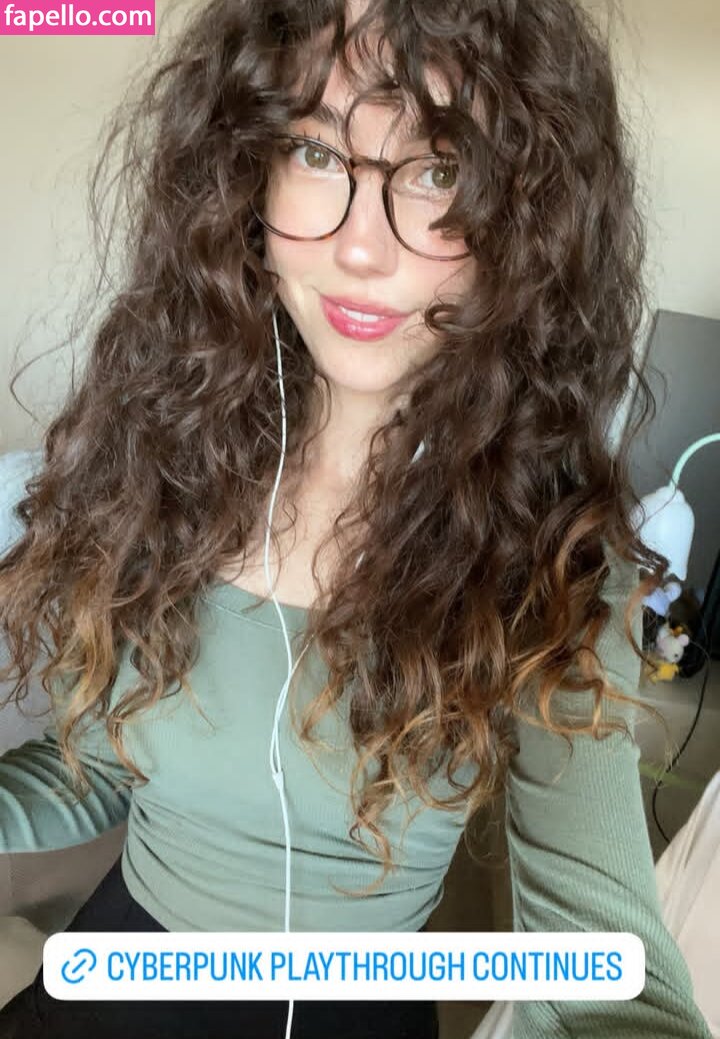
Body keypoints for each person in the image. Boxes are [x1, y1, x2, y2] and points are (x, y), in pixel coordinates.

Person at [0, 0, 712, 1036]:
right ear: (245, 174)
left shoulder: (552, 557)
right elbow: (108, 764)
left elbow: (615, 976)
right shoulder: (169, 465)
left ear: (529, 223)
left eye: (436, 170)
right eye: (315, 152)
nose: (361, 249)